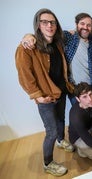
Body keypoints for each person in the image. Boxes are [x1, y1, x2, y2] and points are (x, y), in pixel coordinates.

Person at [15, 8, 74, 176]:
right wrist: (37, 96)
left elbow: (75, 31)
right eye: (45, 22)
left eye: (52, 22)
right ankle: (48, 163)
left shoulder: (57, 43)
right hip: (46, 97)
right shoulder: (27, 48)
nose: (49, 25)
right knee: (51, 131)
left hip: (60, 92)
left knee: (62, 120)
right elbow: (25, 75)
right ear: (38, 25)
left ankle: (61, 141)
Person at [21, 13, 92, 105]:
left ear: (91, 28)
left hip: (90, 87)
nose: (85, 27)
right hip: (74, 88)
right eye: (82, 24)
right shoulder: (68, 37)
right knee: (78, 116)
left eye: (89, 25)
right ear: (76, 24)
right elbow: (47, 33)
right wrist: (29, 36)